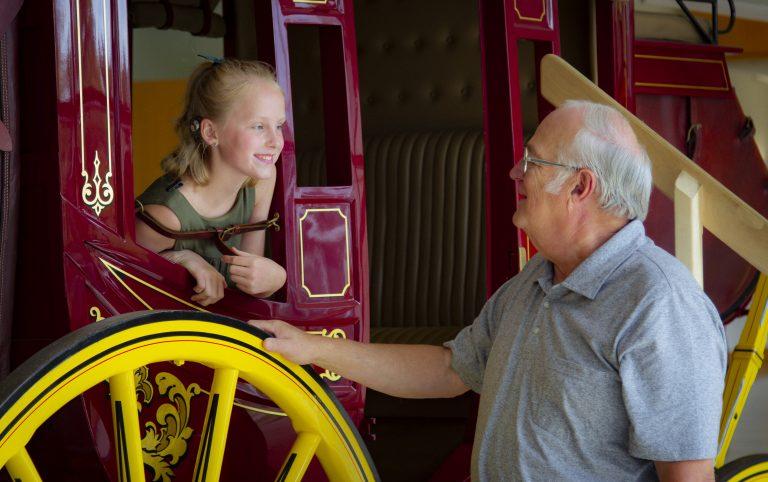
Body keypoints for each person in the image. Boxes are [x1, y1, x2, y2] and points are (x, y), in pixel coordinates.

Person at [251, 100, 727, 481]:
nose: (515, 175)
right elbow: (448, 369)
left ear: (581, 186)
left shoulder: (660, 303)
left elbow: (687, 475)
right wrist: (310, 347)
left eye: (532, 162)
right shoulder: (537, 278)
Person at [136, 58, 287, 306]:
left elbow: (247, 281)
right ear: (211, 133)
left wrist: (276, 278)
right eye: (259, 126)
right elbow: (121, 280)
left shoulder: (261, 182)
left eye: (279, 125)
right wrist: (179, 258)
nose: (275, 141)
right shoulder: (165, 215)